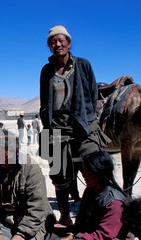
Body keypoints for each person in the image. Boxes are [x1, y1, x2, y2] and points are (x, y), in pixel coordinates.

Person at [39, 25, 111, 227]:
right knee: (58, 174)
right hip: (56, 127)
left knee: (95, 169)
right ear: (49, 46)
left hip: (83, 125)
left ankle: (99, 218)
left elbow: (92, 94)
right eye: (53, 42)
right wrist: (47, 125)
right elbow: (45, 102)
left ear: (69, 43)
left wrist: (89, 119)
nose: (57, 44)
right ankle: (65, 217)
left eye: (61, 40)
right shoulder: (46, 71)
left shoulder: (83, 65)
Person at [50, 150, 134, 240]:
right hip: (87, 237)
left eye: (87, 171)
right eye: (83, 170)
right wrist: (70, 236)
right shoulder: (90, 191)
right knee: (51, 235)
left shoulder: (115, 202)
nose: (84, 175)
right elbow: (80, 224)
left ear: (99, 173)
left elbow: (103, 237)